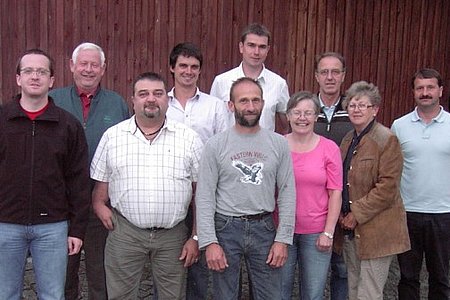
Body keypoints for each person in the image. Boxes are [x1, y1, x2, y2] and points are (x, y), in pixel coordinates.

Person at [91, 72, 203, 299]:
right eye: (143, 94)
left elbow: (200, 195)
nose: (151, 99)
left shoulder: (189, 139)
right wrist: (99, 206)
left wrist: (195, 237)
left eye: (157, 93)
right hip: (125, 233)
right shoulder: (113, 137)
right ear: (133, 99)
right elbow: (99, 189)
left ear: (166, 100)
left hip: (173, 236)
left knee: (172, 296)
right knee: (120, 295)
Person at [0, 48, 90, 300]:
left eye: (42, 71)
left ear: (51, 80)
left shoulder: (68, 125)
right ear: (18, 78)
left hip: (53, 227)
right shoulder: (2, 120)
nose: (35, 76)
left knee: (52, 295)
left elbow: (79, 182)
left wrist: (77, 230)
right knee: (5, 294)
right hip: (5, 225)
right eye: (28, 70)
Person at [196, 77, 296, 299]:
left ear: (262, 103)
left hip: (264, 228)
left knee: (269, 295)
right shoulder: (215, 145)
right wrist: (209, 241)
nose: (250, 107)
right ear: (231, 106)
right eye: (243, 101)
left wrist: (283, 239)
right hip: (225, 228)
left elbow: (288, 192)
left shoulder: (279, 143)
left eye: (255, 100)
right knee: (225, 295)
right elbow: (204, 196)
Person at [49, 42, 129, 300]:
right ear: (72, 66)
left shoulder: (116, 104)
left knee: (100, 271)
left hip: (101, 201)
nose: (88, 69)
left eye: (94, 64)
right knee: (62, 272)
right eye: (83, 63)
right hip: (60, 203)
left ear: (103, 69)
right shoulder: (55, 101)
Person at [336, 81, 410, 300]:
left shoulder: (387, 140)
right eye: (352, 105)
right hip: (351, 231)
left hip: (378, 233)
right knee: (354, 289)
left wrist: (356, 214)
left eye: (362, 105)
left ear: (375, 109)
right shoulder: (348, 139)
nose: (356, 109)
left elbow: (387, 188)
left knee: (369, 294)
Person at [166, 42, 229, 299]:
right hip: (170, 188)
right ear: (172, 68)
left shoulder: (214, 106)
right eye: (183, 65)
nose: (188, 71)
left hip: (204, 190)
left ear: (200, 70)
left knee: (200, 265)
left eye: (194, 67)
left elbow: (225, 147)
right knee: (170, 260)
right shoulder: (161, 103)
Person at [392, 68, 450, 300]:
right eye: (420, 88)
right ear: (413, 92)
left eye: (430, 87)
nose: (425, 93)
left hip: (444, 213)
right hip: (408, 213)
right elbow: (392, 169)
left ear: (441, 91)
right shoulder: (399, 126)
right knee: (407, 277)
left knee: (441, 277)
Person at [281, 91, 342, 300]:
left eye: (308, 113)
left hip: (316, 233)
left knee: (313, 294)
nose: (302, 118)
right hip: (282, 232)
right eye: (296, 112)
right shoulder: (277, 145)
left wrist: (329, 232)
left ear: (317, 116)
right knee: (279, 293)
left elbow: (335, 192)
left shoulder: (329, 148)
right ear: (288, 116)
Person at [314, 52, 352, 300]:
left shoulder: (354, 109)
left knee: (342, 269)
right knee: (313, 269)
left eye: (335, 72)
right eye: (324, 72)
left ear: (343, 76)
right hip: (314, 203)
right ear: (316, 76)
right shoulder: (305, 109)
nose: (330, 77)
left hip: (346, 202)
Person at [210, 23, 290, 134]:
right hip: (229, 148)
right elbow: (212, 121)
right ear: (241, 47)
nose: (256, 52)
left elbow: (287, 125)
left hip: (264, 148)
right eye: (251, 45)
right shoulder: (221, 82)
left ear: (268, 50)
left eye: (262, 47)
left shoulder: (278, 84)